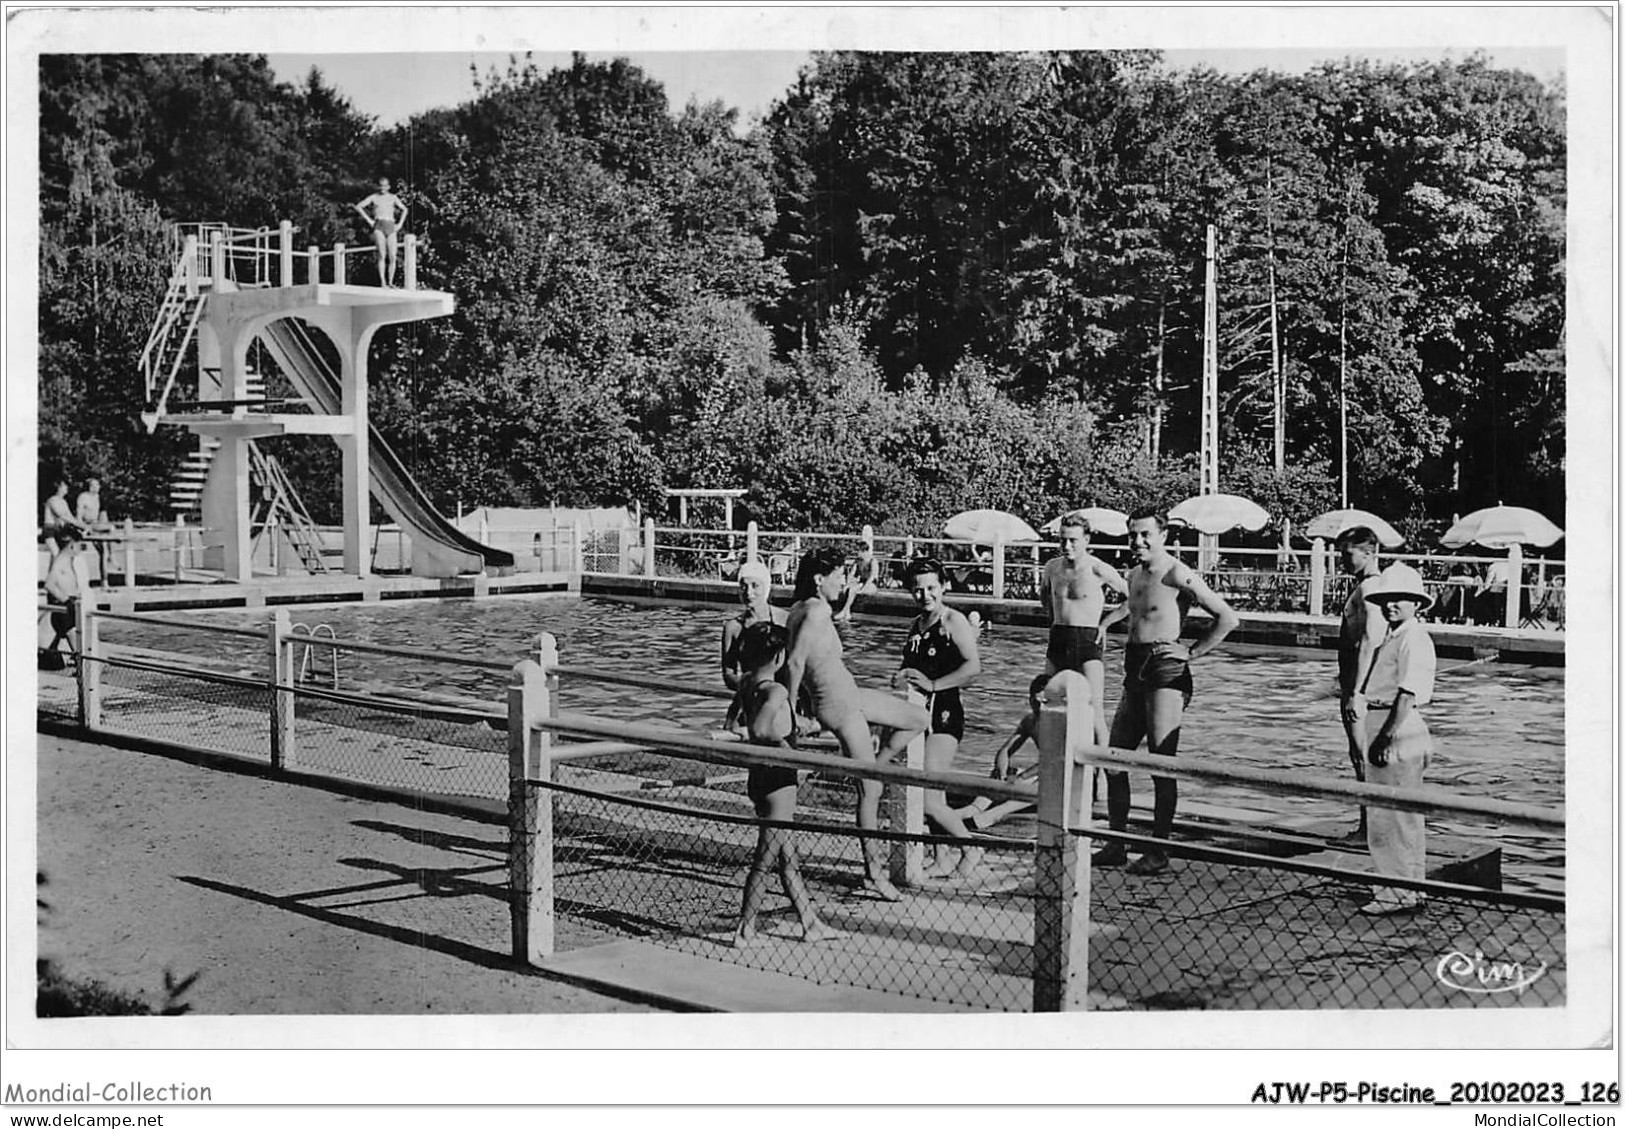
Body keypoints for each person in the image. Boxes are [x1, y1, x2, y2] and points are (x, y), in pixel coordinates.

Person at [1092, 506, 1239, 875]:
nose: (1137, 541)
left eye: (1145, 535)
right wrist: (1108, 621)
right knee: (1114, 759)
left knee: (1161, 763)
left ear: (1163, 536)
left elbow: (1228, 617)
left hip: (1165, 668)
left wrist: (1192, 652)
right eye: (1132, 535)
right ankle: (1115, 843)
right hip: (1134, 667)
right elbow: (1134, 605)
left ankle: (1158, 850)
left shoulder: (1178, 573)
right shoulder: (1134, 573)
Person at [783, 546, 928, 901]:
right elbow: (794, 663)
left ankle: (874, 767)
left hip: (846, 698)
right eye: (839, 576)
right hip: (841, 706)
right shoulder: (816, 611)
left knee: (918, 718)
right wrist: (789, 713)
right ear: (820, 579)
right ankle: (874, 874)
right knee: (870, 792)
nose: (844, 583)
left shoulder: (800, 609)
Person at [729, 621, 843, 946]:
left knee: (787, 857)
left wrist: (794, 727)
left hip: (759, 776)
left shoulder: (747, 683)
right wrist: (788, 750)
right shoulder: (777, 691)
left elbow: (734, 720)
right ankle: (745, 929)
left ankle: (810, 922)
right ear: (780, 657)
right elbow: (761, 729)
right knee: (765, 859)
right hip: (780, 780)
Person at [891, 556, 984, 880]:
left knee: (929, 798)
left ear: (943, 586)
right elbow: (911, 667)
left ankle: (970, 847)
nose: (925, 595)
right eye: (917, 590)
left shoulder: (952, 621)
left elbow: (972, 667)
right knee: (930, 794)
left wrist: (934, 685)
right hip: (918, 714)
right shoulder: (916, 625)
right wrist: (900, 677)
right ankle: (940, 855)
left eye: (931, 588)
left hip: (945, 715)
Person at [1356, 563, 1439, 915]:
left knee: (1390, 817)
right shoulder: (1395, 635)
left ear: (1417, 604)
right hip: (1384, 717)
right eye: (1387, 599)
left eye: (1401, 599)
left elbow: (1407, 694)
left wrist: (1384, 738)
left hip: (1396, 724)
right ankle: (1410, 886)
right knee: (1401, 815)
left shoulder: (1413, 638)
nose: (1392, 605)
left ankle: (1395, 893)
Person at [1040, 510, 1130, 752]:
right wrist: (1053, 623)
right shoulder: (1052, 568)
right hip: (1058, 639)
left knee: (1095, 711)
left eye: (1073, 540)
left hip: (1088, 640)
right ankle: (1054, 764)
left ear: (1086, 540)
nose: (1067, 546)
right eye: (1063, 540)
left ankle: (1104, 777)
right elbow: (1046, 599)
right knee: (1049, 705)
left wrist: (1105, 623)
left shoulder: (1098, 569)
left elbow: (1133, 597)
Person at [1332, 526, 1385, 847]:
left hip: (1361, 686)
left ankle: (1368, 831)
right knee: (1359, 756)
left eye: (1347, 553)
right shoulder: (1366, 587)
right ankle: (1369, 827)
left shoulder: (1369, 590)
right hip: (1353, 680)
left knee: (1361, 756)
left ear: (1368, 553)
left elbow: (1369, 640)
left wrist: (1357, 692)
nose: (1342, 560)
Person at [720, 558, 788, 698]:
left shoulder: (785, 620)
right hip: (750, 697)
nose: (748, 592)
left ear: (766, 587)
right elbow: (729, 673)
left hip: (782, 696)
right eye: (743, 586)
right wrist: (750, 685)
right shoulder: (733, 627)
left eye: (755, 585)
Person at [354, 177, 409, 287]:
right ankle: (383, 281)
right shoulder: (374, 197)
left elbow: (405, 209)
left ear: (388, 187)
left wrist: (400, 224)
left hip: (390, 225)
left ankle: (390, 281)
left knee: (393, 255)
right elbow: (359, 206)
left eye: (385, 186)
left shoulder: (393, 197)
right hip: (379, 225)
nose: (382, 188)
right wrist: (369, 220)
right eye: (380, 185)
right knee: (382, 254)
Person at [43, 529, 89, 658]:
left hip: (70, 605)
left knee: (78, 643)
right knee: (77, 647)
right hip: (64, 607)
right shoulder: (61, 561)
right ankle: (81, 671)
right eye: (81, 546)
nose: (81, 550)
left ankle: (79, 668)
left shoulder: (68, 560)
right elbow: (49, 584)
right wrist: (66, 600)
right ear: (72, 545)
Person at [832, 543, 880, 624]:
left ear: (863, 551)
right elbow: (851, 574)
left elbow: (871, 577)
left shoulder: (872, 561)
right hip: (861, 583)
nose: (857, 553)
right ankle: (847, 613)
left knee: (853, 589)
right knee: (848, 589)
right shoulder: (858, 561)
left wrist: (862, 589)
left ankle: (844, 611)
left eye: (858, 551)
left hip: (871, 585)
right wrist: (847, 585)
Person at [41, 480, 86, 551]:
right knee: (56, 553)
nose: (66, 487)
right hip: (50, 530)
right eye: (64, 485)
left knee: (61, 555)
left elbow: (70, 517)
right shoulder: (52, 500)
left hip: (60, 530)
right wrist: (80, 525)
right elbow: (62, 515)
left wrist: (81, 525)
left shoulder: (63, 501)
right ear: (58, 487)